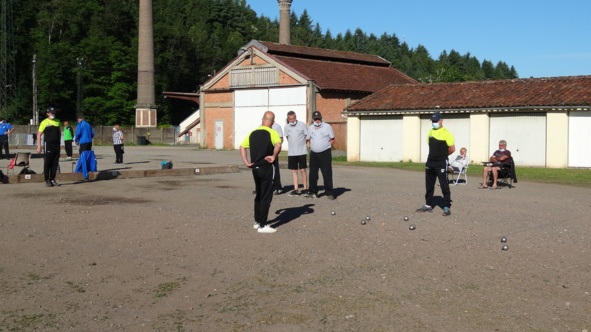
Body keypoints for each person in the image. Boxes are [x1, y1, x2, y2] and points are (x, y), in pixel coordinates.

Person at [240, 111, 282, 234]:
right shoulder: (272, 132)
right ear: (273, 122)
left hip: (255, 168)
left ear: (262, 119)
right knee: (266, 195)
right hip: (266, 167)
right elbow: (278, 145)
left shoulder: (252, 133)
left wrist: (246, 162)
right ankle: (263, 225)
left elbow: (242, 147)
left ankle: (257, 221)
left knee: (259, 193)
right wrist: (274, 156)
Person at [416, 112, 455, 216]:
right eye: (432, 121)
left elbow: (452, 149)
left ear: (441, 121)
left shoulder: (447, 133)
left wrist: (442, 155)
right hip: (430, 162)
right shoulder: (430, 132)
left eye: (436, 121)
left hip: (441, 162)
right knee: (429, 185)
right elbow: (431, 146)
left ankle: (446, 206)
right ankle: (428, 205)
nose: (434, 123)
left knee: (444, 185)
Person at [306, 111, 335, 200]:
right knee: (313, 174)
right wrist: (313, 146)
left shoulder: (327, 126)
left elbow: (332, 139)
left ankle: (329, 192)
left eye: (318, 118)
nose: (317, 120)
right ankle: (312, 192)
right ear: (313, 119)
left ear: (321, 118)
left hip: (325, 153)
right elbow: (308, 139)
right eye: (315, 119)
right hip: (314, 153)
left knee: (327, 173)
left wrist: (326, 146)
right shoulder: (310, 128)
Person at [283, 111, 308, 196]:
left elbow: (306, 136)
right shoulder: (286, 127)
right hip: (292, 153)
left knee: (303, 170)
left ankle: (305, 188)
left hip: (301, 151)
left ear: (295, 117)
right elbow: (287, 137)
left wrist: (301, 144)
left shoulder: (302, 125)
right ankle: (296, 189)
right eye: (290, 119)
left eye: (293, 118)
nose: (292, 120)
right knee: (294, 171)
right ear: (288, 119)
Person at [36, 107, 61, 187]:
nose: (53, 114)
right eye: (51, 113)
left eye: (54, 113)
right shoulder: (44, 122)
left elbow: (59, 132)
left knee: (55, 163)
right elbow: (39, 134)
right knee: (48, 162)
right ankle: (47, 179)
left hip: (56, 144)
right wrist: (39, 146)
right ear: (48, 113)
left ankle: (53, 179)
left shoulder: (57, 121)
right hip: (48, 144)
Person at [271, 121, 284, 194]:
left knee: (275, 168)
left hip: (273, 150)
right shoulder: (261, 126)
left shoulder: (277, 126)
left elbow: (281, 139)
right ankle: (261, 188)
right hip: (265, 150)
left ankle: (277, 187)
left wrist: (277, 148)